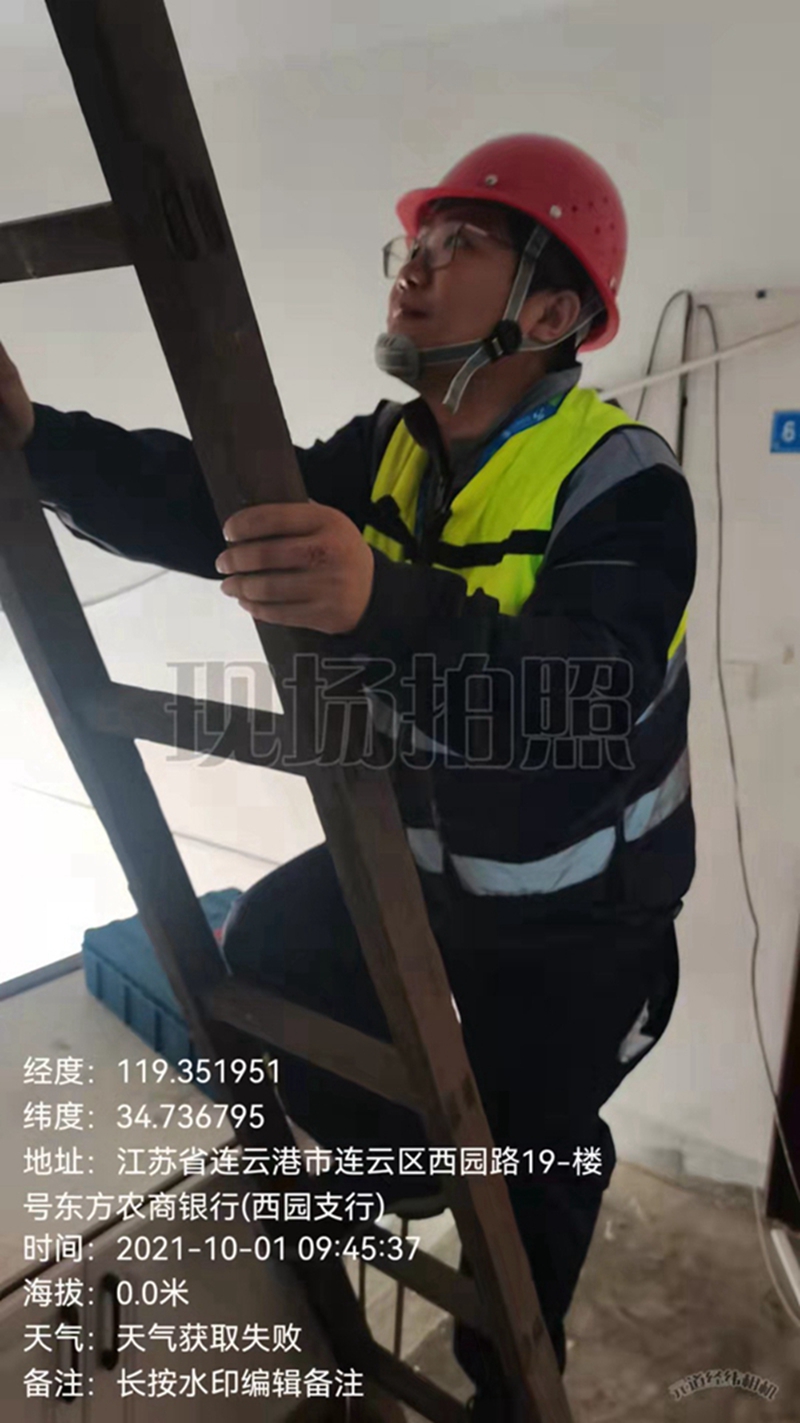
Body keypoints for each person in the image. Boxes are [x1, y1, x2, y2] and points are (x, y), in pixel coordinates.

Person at [1, 134, 696, 1417]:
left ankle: (509, 1384)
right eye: (412, 245)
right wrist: (39, 442)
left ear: (550, 314)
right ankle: (407, 1172)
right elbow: (204, 499)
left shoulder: (622, 482)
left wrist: (384, 604)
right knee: (266, 953)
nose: (410, 270)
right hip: (421, 855)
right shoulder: (389, 450)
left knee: (533, 1157)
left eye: (456, 247)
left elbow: (577, 699)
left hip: (578, 921)